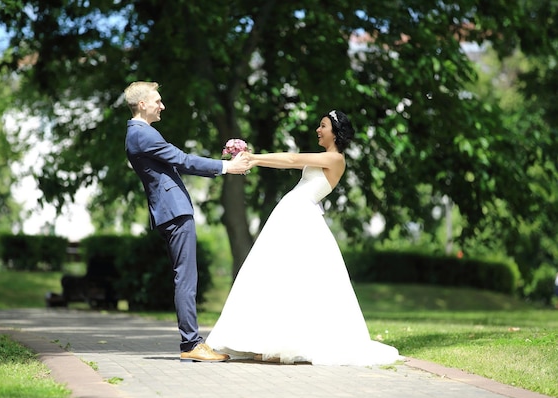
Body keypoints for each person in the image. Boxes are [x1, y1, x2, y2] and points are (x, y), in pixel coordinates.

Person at [206, 110, 402, 366]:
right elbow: (289, 160)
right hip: (291, 215)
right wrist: (255, 160)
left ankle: (282, 344)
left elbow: (291, 159)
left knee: (295, 276)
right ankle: (268, 341)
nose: (318, 130)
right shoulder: (325, 156)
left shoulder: (335, 159)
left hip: (301, 218)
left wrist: (254, 158)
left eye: (323, 126)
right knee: (277, 275)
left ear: (336, 131)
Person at [124, 81, 250, 362]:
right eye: (158, 100)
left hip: (172, 210)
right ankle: (191, 344)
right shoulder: (142, 134)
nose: (162, 105)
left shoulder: (140, 133)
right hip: (174, 212)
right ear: (142, 104)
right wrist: (227, 166)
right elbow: (182, 160)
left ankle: (191, 343)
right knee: (186, 278)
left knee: (185, 277)